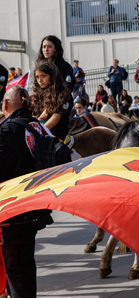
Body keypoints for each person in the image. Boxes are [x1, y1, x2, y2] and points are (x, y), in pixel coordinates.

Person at [0, 86, 52, 298]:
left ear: (5, 104)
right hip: (36, 206)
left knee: (17, 268)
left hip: (15, 211)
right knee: (24, 264)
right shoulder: (38, 126)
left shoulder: (7, 130)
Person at [31, 61, 73, 141]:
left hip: (57, 139)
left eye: (43, 76)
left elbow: (54, 120)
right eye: (37, 77)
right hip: (41, 136)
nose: (39, 80)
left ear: (52, 76)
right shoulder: (38, 95)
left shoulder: (63, 94)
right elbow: (35, 117)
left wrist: (38, 133)